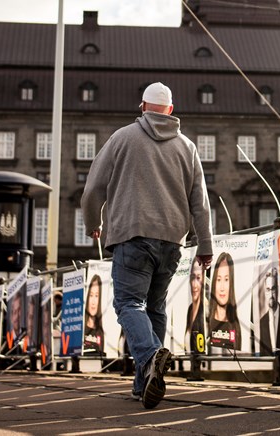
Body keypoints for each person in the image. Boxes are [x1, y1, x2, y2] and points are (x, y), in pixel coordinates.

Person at [82, 81, 213, 409]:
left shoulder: (122, 138)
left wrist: (92, 224)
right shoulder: (187, 147)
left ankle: (151, 353)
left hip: (132, 236)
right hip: (171, 241)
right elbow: (200, 202)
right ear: (170, 110)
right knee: (154, 308)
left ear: (142, 107)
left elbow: (93, 188)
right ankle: (143, 385)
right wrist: (206, 244)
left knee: (128, 304)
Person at [207, 253, 241, 351]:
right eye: (218, 280)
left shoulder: (236, 325)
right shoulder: (206, 320)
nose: (222, 288)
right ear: (214, 282)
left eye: (226, 280)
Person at [185, 258, 205, 354]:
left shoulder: (206, 309)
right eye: (192, 278)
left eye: (198, 278)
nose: (194, 285)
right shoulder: (190, 309)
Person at [83, 275, 104, 355]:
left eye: (96, 296)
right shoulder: (80, 327)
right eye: (91, 295)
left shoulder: (100, 332)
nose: (93, 302)